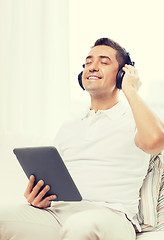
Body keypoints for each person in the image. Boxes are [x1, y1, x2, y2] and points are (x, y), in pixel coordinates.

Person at [0, 37, 164, 240]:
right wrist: (42, 197)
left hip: (110, 216)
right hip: (57, 214)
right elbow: (57, 178)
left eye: (104, 62)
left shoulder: (135, 119)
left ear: (122, 74)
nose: (93, 67)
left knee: (81, 226)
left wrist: (130, 89)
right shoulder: (68, 127)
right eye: (88, 63)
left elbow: (155, 141)